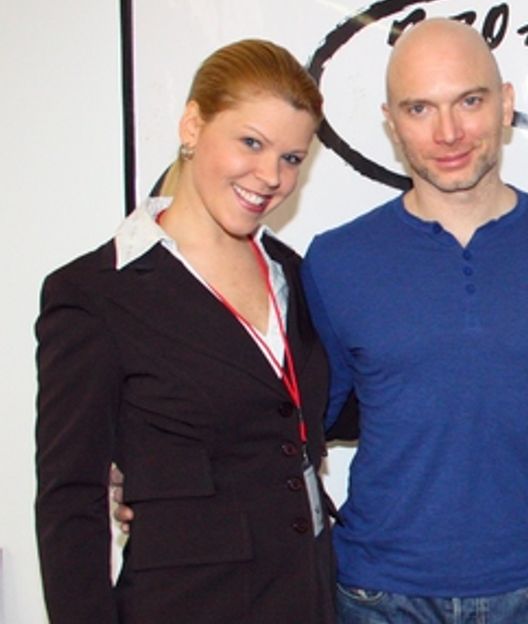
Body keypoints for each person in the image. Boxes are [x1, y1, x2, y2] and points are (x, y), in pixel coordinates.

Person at [302, 18, 528, 623]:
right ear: (391, 122)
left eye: (469, 101)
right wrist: (163, 477)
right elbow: (287, 428)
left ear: (506, 104)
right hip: (379, 596)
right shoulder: (336, 260)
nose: (448, 132)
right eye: (419, 108)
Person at [35, 39, 336, 623]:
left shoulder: (292, 274)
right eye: (251, 143)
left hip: (308, 598)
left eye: (292, 158)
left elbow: (325, 411)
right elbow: (69, 501)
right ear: (193, 125)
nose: (270, 177)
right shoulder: (96, 294)